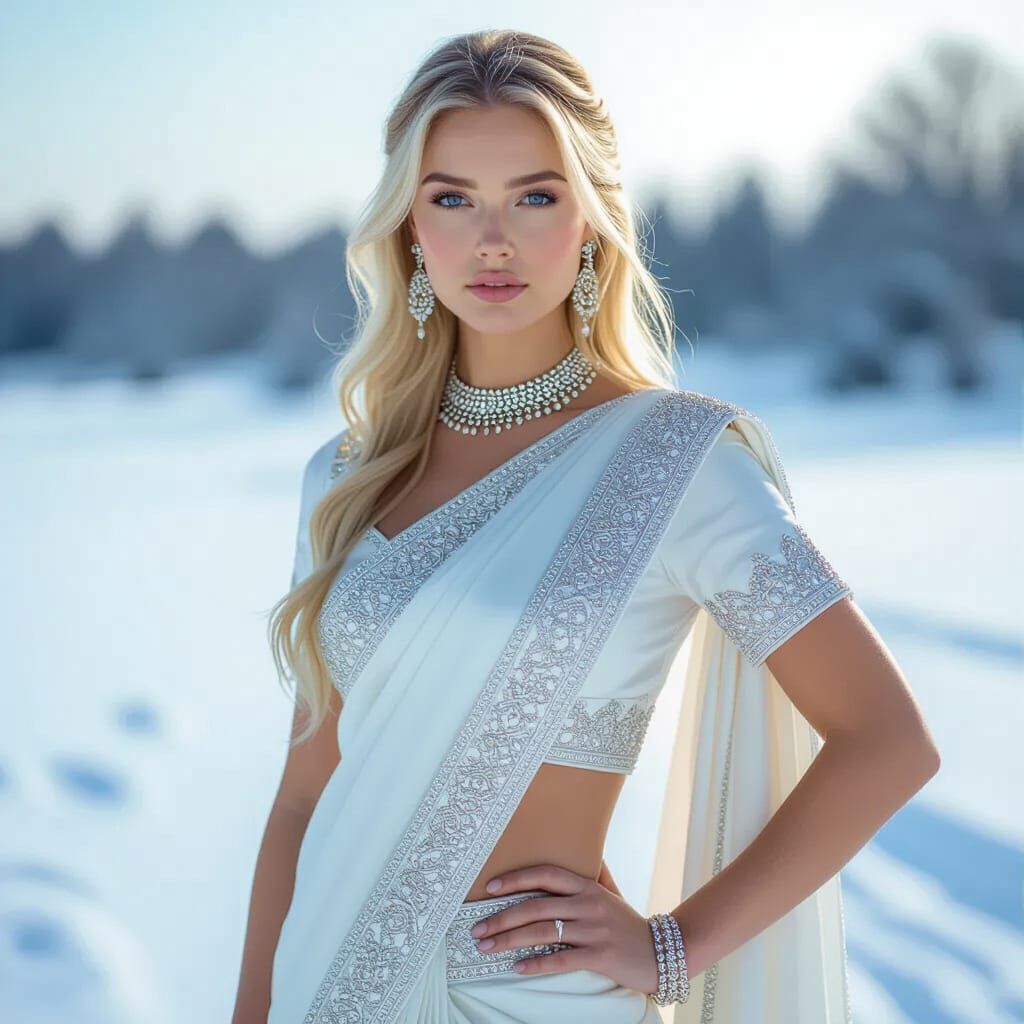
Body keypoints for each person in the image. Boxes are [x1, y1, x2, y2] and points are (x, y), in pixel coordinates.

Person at [231, 29, 941, 1024]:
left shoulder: (675, 464)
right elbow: (304, 797)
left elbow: (890, 740)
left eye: (534, 195)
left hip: (529, 1004)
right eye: (451, 198)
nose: (492, 239)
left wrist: (673, 945)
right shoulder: (342, 479)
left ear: (593, 221)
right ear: (407, 229)